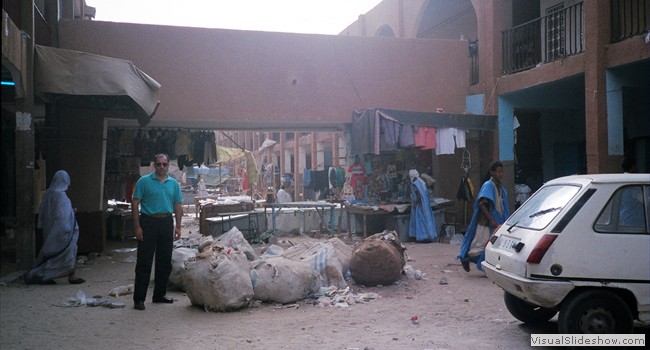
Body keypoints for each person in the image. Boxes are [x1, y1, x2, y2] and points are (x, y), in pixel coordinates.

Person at [131, 154, 183, 311]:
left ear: (168, 166)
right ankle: (139, 299)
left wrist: (178, 226)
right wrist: (137, 227)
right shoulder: (144, 181)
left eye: (164, 164)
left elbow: (177, 205)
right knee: (144, 262)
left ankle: (159, 295)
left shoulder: (173, 184)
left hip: (166, 222)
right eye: (159, 164)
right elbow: (135, 204)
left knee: (164, 262)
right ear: (154, 165)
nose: (161, 167)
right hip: (148, 222)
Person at [24, 170, 85, 285]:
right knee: (67, 252)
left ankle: (65, 275)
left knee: (52, 255)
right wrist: (72, 215)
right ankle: (44, 275)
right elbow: (63, 216)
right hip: (62, 232)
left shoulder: (48, 194)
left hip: (50, 230)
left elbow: (43, 212)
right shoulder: (61, 197)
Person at [458, 161, 510, 272]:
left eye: (502, 172)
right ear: (492, 172)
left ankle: (486, 265)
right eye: (499, 172)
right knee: (481, 245)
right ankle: (466, 257)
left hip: (496, 221)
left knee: (491, 245)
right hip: (486, 222)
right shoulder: (488, 185)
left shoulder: (499, 187)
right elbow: (482, 203)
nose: (501, 174)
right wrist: (491, 220)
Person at [407, 169, 438, 242]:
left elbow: (418, 194)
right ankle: (429, 235)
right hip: (424, 204)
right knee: (426, 219)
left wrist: (416, 203)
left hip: (420, 205)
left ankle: (423, 237)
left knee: (421, 220)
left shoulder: (415, 183)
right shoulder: (421, 182)